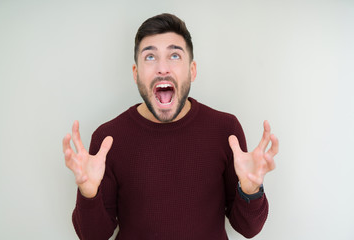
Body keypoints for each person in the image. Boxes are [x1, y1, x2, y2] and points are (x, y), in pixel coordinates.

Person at [62, 13, 279, 240]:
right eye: (150, 57)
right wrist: (88, 194)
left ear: (192, 70)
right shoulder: (108, 139)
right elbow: (92, 236)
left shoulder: (226, 130)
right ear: (136, 74)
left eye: (174, 55)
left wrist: (251, 190)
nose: (162, 68)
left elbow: (248, 228)